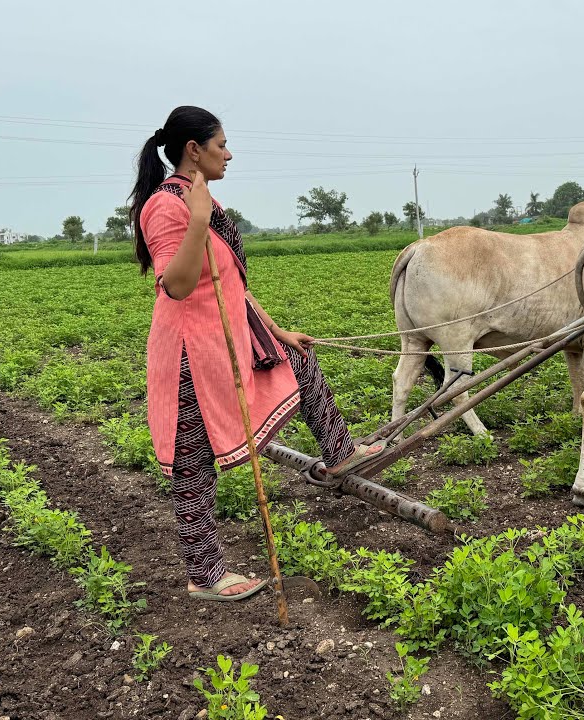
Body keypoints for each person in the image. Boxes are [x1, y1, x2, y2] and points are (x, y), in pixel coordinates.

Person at [129, 105, 384, 601]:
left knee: (299, 360)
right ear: (194, 150)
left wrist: (277, 330)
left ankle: (340, 453)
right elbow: (176, 287)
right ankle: (205, 576)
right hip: (190, 355)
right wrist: (197, 221)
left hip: (228, 339)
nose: (228, 154)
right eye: (221, 145)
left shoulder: (202, 200)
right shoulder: (167, 206)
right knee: (193, 463)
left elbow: (232, 285)